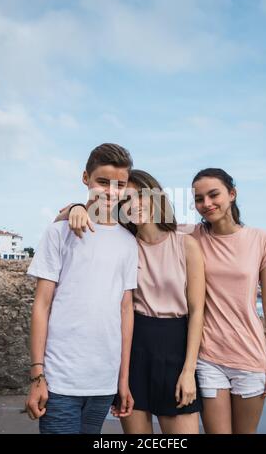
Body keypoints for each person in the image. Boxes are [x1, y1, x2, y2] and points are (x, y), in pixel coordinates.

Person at [60, 170, 206, 434]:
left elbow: (197, 312)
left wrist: (188, 371)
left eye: (140, 196)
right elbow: (63, 219)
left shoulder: (186, 244)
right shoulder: (122, 244)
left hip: (175, 348)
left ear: (156, 196)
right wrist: (77, 207)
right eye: (125, 200)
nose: (134, 204)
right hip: (132, 349)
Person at [25, 143, 138, 434]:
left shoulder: (128, 242)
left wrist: (122, 381)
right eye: (102, 182)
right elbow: (41, 305)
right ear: (85, 178)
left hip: (103, 381)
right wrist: (37, 375)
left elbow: (126, 311)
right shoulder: (58, 232)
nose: (111, 192)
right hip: (60, 379)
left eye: (120, 185)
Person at [187, 168, 266, 434]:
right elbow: (146, 222)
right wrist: (78, 207)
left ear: (232, 193)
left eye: (213, 194)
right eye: (199, 199)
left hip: (250, 357)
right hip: (208, 357)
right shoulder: (193, 236)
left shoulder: (260, 239)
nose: (206, 204)